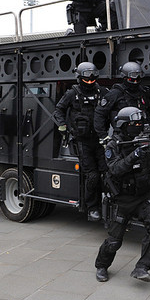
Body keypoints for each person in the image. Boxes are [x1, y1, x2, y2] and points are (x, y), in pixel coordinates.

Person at [95, 106, 150, 283]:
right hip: (122, 199)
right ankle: (102, 266)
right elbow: (115, 169)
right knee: (114, 241)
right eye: (134, 124)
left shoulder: (144, 140)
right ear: (123, 125)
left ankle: (142, 267)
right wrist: (135, 154)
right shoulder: (113, 145)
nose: (138, 126)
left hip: (143, 197)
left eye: (140, 123)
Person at [53, 62, 107, 221]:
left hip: (100, 139)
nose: (89, 81)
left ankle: (109, 203)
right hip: (82, 141)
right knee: (92, 176)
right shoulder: (72, 93)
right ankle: (92, 208)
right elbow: (58, 110)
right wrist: (62, 125)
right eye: (86, 79)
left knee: (107, 172)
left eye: (92, 78)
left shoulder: (101, 92)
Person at [94, 61, 150, 144]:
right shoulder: (115, 93)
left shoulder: (142, 91)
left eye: (138, 79)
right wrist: (103, 136)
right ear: (124, 77)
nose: (135, 82)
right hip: (123, 138)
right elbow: (100, 113)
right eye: (132, 79)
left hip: (142, 136)